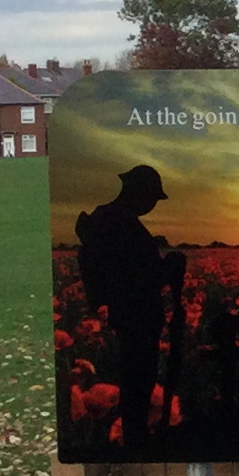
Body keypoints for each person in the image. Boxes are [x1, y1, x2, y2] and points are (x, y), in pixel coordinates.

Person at [74, 165, 182, 448]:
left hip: (127, 314)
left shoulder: (106, 221)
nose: (152, 205)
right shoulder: (121, 225)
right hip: (138, 315)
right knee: (138, 379)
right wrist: (169, 268)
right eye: (151, 198)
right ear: (140, 193)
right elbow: (137, 276)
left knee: (136, 377)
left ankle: (136, 433)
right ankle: (136, 438)